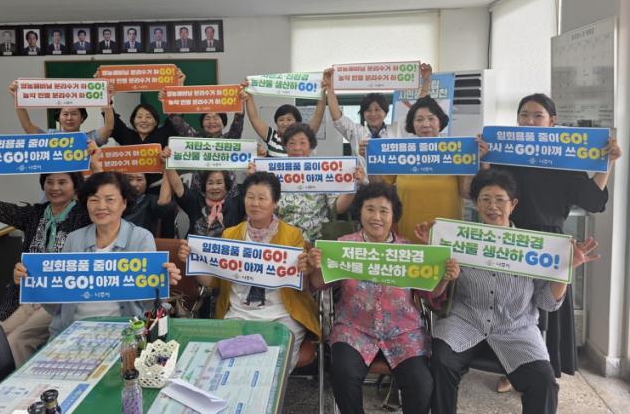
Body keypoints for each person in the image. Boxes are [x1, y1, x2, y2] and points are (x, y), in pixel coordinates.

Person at [415, 168, 600, 414]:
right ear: (476, 203)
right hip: (465, 321)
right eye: (485, 199)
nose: (493, 206)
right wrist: (435, 256)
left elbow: (547, 302)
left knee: (544, 382)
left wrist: (565, 269)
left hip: (516, 328)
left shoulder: (534, 246)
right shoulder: (457, 239)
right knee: (441, 361)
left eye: (500, 200)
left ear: (513, 205)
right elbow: (435, 296)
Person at [482, 93, 622, 390]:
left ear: (552, 121)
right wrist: (483, 160)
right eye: (524, 115)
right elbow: (486, 189)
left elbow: (592, 200)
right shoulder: (506, 154)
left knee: (548, 306)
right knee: (511, 305)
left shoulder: (565, 157)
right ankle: (510, 370)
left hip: (551, 241)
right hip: (513, 237)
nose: (529, 121)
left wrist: (606, 162)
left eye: (537, 115)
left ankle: (539, 373)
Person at [300, 182, 459, 414]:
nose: (376, 217)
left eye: (384, 211)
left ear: (393, 216)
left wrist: (444, 278)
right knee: (343, 373)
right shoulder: (344, 245)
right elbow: (317, 284)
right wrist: (315, 267)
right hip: (354, 329)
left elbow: (430, 294)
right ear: (360, 212)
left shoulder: (409, 250)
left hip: (403, 331)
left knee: (421, 383)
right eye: (370, 209)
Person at [0, 144, 93, 366]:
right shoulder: (34, 214)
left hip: (59, 299)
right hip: (24, 294)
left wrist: (95, 162)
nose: (55, 188)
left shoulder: (84, 215)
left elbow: (104, 197)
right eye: (49, 182)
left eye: (62, 182)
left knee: (17, 340)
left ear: (75, 186)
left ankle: (13, 383)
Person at [177, 172, 320, 369]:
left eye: (262, 198)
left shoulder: (292, 235)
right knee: (228, 363)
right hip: (238, 313)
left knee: (274, 364)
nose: (255, 203)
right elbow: (212, 282)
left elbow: (301, 286)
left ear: (275, 202)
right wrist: (192, 260)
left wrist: (306, 270)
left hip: (281, 315)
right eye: (250, 197)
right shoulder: (230, 234)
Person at [14, 172, 182, 339]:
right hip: (72, 331)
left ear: (124, 203)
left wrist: (161, 282)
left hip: (124, 333)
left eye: (110, 199)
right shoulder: (74, 239)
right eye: (94, 200)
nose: (101, 206)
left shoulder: (140, 238)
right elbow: (58, 305)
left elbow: (149, 303)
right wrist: (32, 282)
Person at [373, 96, 483, 243]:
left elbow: (466, 193)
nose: (425, 124)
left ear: (440, 122)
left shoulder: (456, 152)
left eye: (431, 118)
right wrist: (370, 159)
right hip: (408, 235)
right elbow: (380, 187)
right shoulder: (401, 152)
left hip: (447, 237)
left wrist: (474, 162)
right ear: (412, 124)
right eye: (419, 119)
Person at [249, 123, 363, 243]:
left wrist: (353, 186)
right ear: (285, 147)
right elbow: (262, 207)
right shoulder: (273, 173)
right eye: (291, 143)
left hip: (316, 242)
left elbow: (337, 208)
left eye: (302, 143)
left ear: (311, 146)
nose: (297, 148)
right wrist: (254, 179)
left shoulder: (323, 171)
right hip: (283, 241)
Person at [323, 64, 432, 164]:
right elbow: (337, 118)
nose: (373, 114)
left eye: (377, 109)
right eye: (368, 110)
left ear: (385, 112)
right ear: (363, 114)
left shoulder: (398, 129)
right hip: (363, 179)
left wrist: (426, 81)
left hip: (392, 179)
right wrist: (330, 89)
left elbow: (419, 111)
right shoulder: (356, 132)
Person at [163, 147, 245, 237]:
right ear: (204, 186)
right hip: (193, 246)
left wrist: (253, 170)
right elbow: (178, 187)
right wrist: (167, 161)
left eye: (219, 183)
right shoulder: (195, 200)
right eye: (210, 183)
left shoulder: (236, 203)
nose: (214, 187)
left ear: (226, 185)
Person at [8, 80, 114, 147]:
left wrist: (107, 100)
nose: (69, 118)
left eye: (74, 114)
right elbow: (28, 127)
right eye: (65, 114)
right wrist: (18, 99)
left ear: (82, 118)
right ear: (58, 118)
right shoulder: (50, 137)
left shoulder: (90, 138)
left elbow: (108, 127)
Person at [239, 83, 326, 157]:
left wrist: (322, 91)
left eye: (289, 119)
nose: (285, 123)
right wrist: (249, 94)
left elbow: (318, 117)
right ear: (276, 122)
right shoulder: (272, 137)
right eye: (281, 120)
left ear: (297, 121)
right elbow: (254, 118)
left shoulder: (305, 134)